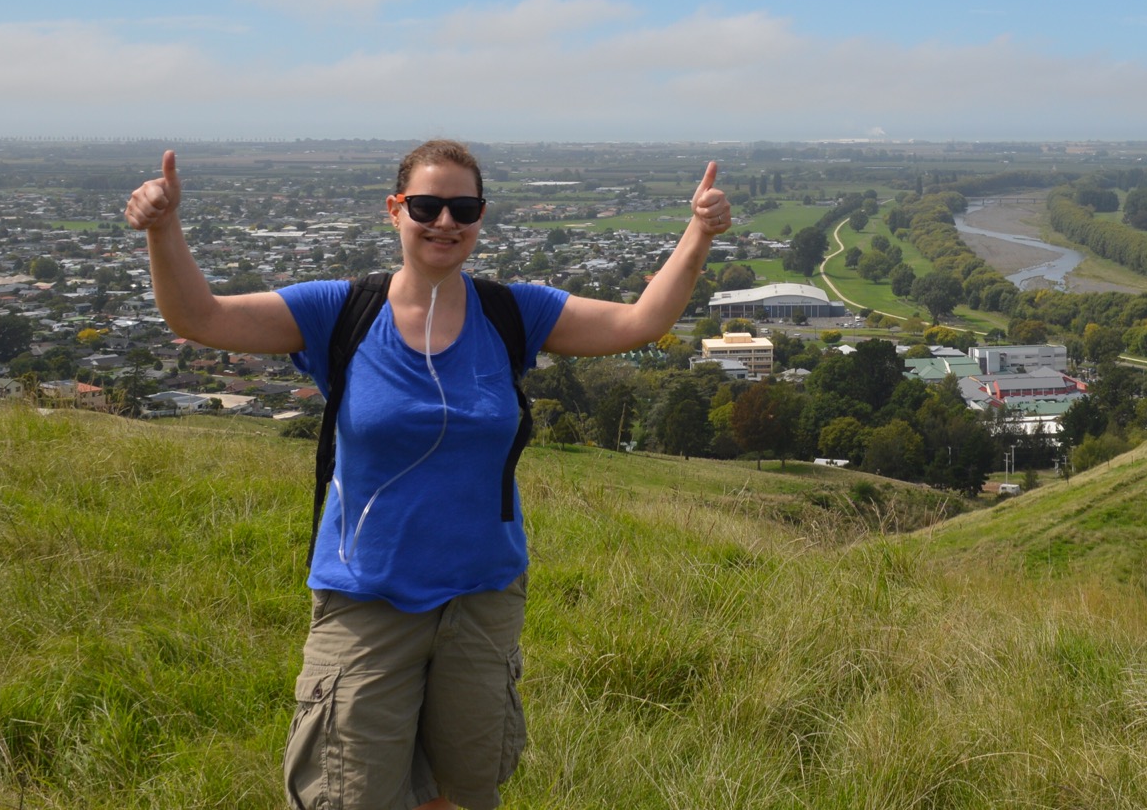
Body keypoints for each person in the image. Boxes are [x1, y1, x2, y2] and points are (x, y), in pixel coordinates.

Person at [125, 138, 729, 810]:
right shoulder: (341, 311)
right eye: (428, 204)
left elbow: (641, 320)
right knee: (350, 794)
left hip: (481, 596)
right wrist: (164, 228)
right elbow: (199, 316)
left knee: (460, 790)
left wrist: (699, 231)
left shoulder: (511, 313)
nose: (446, 221)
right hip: (366, 598)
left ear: (480, 215)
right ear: (395, 209)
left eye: (463, 207)